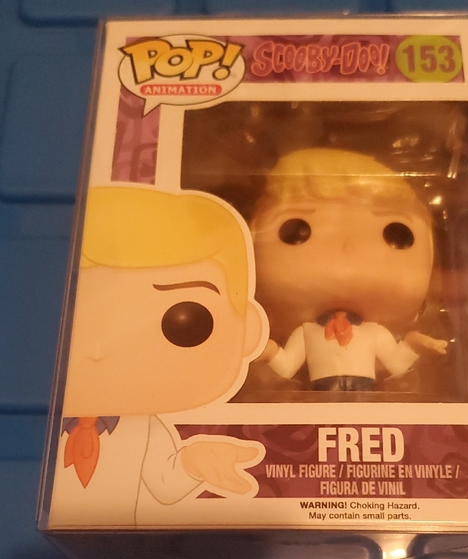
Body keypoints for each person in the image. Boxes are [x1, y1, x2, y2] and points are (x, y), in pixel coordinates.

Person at [48, 185, 268, 527]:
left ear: (248, 330)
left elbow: (165, 484)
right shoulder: (44, 420)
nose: (101, 350)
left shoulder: (146, 430)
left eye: (185, 323)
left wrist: (193, 463)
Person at [252, 148, 446, 392]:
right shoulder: (307, 333)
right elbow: (286, 365)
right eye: (296, 230)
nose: (348, 247)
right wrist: (265, 350)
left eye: (396, 234)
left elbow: (397, 363)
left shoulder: (375, 333)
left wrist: (415, 343)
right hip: (318, 396)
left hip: (365, 396)